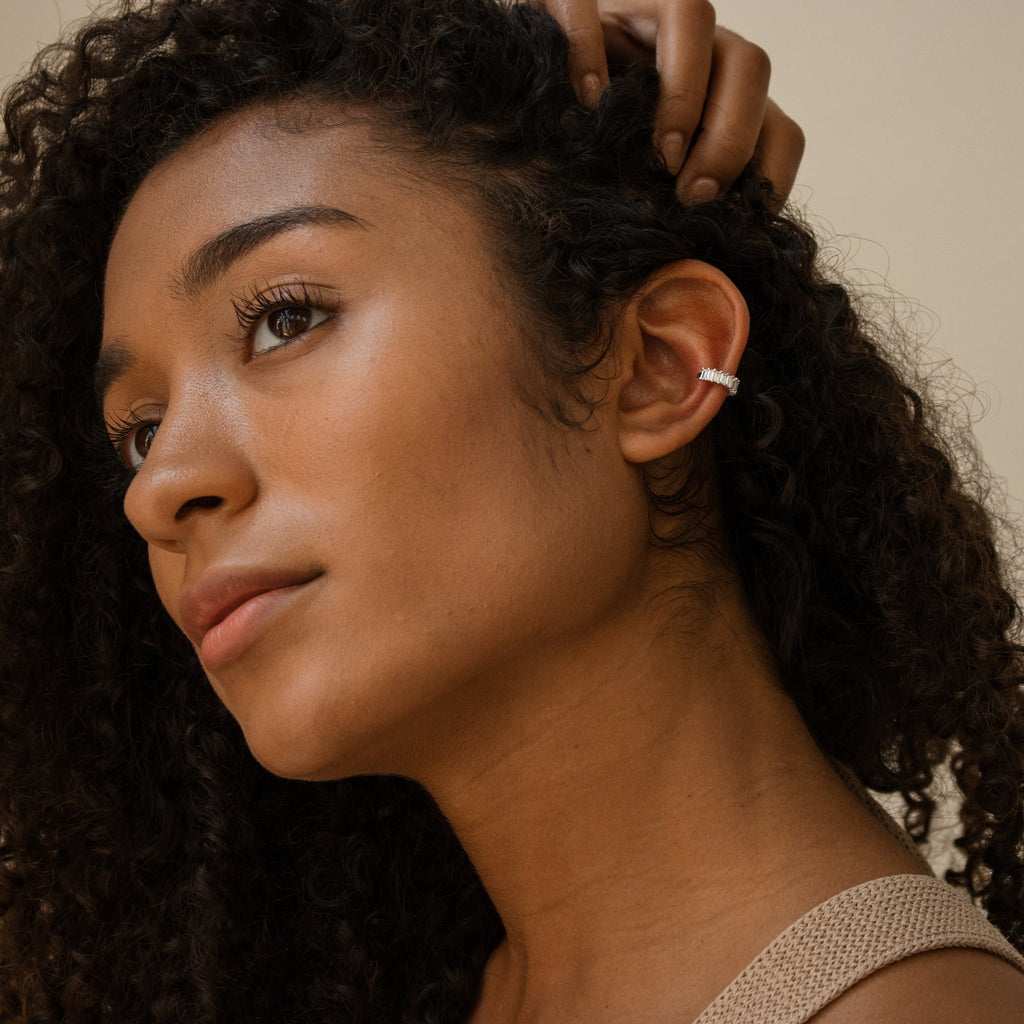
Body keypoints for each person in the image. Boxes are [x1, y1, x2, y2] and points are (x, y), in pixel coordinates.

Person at [0, 1, 1021, 1022]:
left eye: (285, 318)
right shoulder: (404, 987)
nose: (157, 487)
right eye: (137, 428)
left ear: (659, 368)